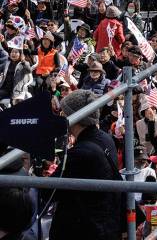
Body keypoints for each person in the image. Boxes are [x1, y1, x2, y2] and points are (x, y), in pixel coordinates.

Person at [49, 89, 124, 240]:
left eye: (64, 113)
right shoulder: (105, 138)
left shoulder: (81, 152)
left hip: (85, 230)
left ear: (75, 117)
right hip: (104, 226)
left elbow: (51, 192)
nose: (61, 117)